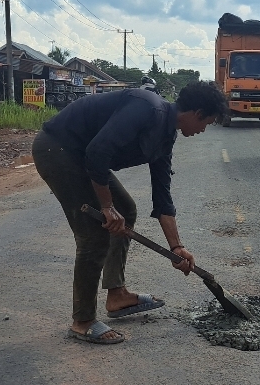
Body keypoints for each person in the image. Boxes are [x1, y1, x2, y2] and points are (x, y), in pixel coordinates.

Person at [32, 81, 229, 344]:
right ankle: (83, 321)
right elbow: (97, 152)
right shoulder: (147, 108)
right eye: (207, 123)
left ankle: (117, 296)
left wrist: (177, 247)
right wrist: (106, 207)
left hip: (81, 156)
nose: (204, 129)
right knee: (94, 233)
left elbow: (162, 197)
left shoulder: (165, 137)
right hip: (58, 149)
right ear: (197, 113)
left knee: (126, 209)